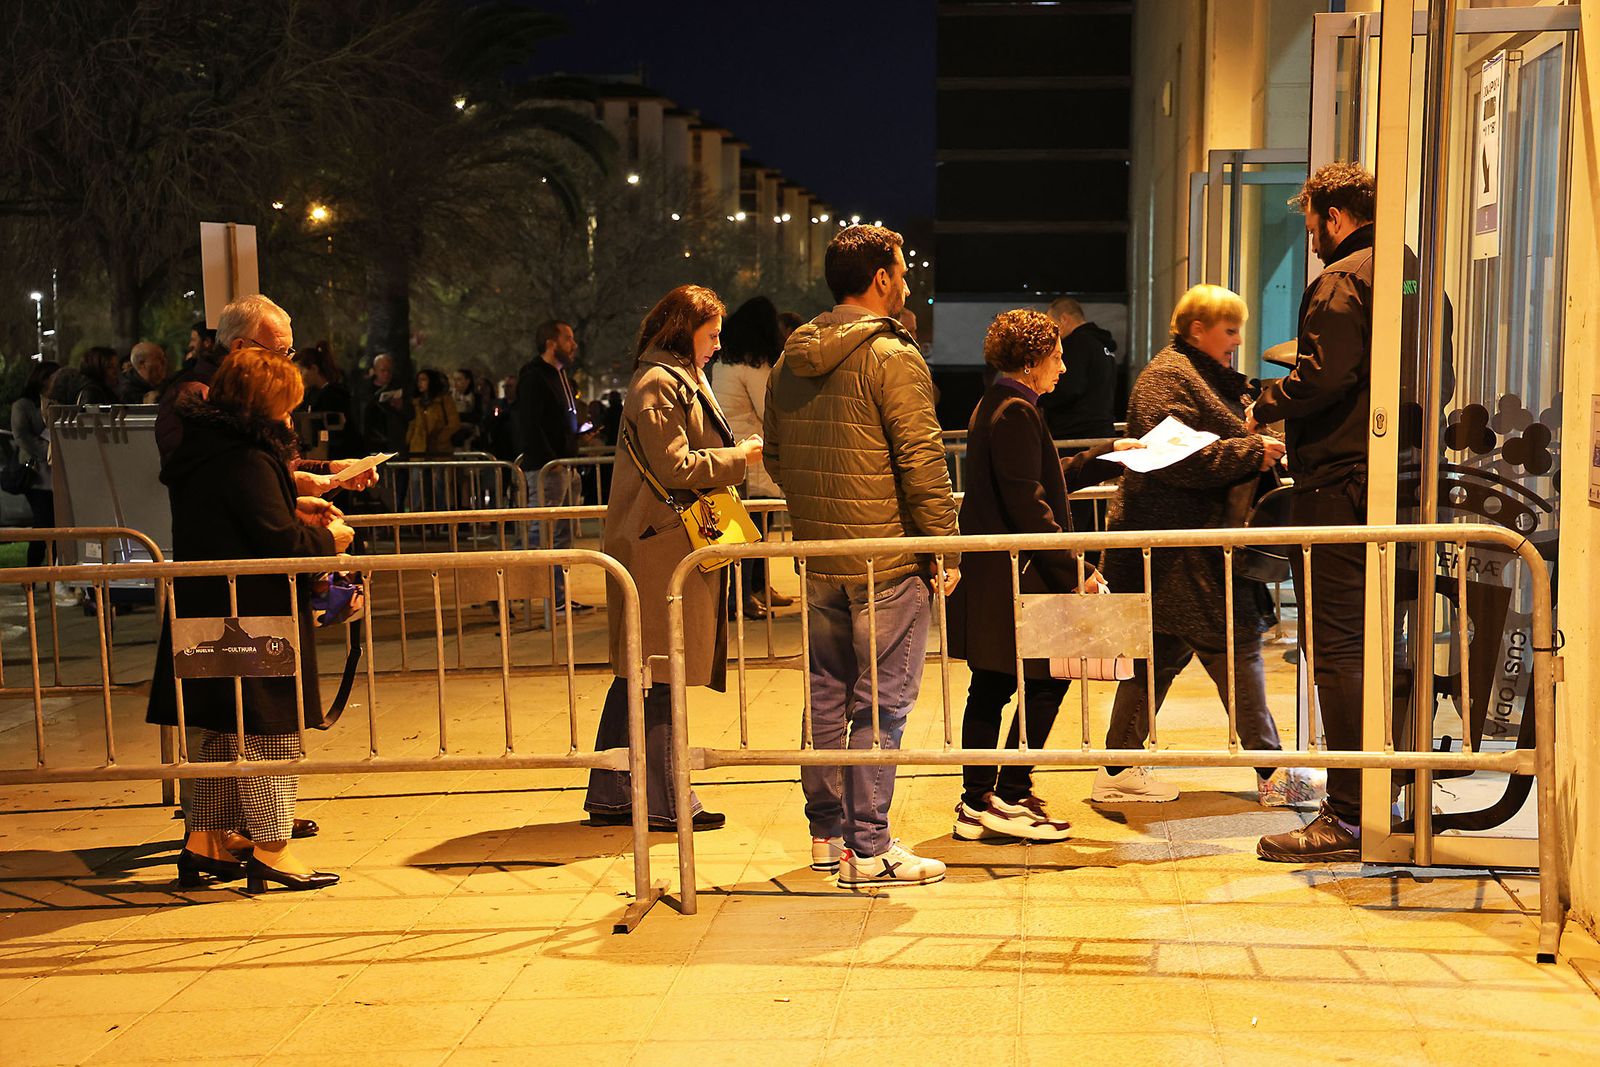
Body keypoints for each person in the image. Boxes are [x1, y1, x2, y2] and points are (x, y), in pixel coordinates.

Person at [764, 224, 959, 888]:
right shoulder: (892, 355)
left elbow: (775, 456)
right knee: (882, 703)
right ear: (881, 278)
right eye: (901, 271)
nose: (906, 281)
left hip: (823, 554)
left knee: (826, 693)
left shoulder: (791, 359)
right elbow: (922, 460)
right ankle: (869, 847)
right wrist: (945, 545)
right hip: (886, 557)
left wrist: (817, 514)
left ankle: (827, 836)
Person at [1090, 285, 1324, 808]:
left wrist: (1252, 445)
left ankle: (1117, 769)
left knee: (1161, 659)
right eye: (1230, 330)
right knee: (1236, 652)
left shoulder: (1192, 375)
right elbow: (1172, 459)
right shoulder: (1170, 377)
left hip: (1182, 552)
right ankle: (1273, 774)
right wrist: (1251, 452)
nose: (1239, 341)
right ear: (1198, 330)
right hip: (1183, 552)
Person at [146, 346, 353, 892]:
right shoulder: (247, 455)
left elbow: (235, 517)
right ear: (264, 402)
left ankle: (205, 841)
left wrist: (294, 507)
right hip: (254, 616)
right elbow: (277, 541)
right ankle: (272, 849)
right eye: (287, 404)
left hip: (206, 609)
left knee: (220, 729)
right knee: (270, 733)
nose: (291, 415)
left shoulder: (205, 445)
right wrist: (326, 539)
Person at [948, 310, 1135, 842]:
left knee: (1000, 684)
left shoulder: (1005, 404)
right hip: (1017, 576)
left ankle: (987, 798)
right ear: (1031, 361)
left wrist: (1109, 456)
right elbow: (1028, 505)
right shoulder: (1014, 411)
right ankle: (998, 796)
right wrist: (1076, 570)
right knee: (1030, 681)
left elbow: (1042, 480)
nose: (1063, 367)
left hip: (1007, 574)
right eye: (1056, 356)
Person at [583, 285, 761, 832]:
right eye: (712, 335)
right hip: (660, 544)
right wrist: (739, 458)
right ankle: (666, 800)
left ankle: (612, 792)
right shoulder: (661, 382)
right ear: (685, 331)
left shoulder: (668, 377)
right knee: (659, 672)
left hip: (658, 539)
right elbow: (675, 466)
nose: (717, 345)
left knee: (639, 671)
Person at [1247, 163, 1383, 862]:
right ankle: (1385, 798)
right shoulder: (1414, 276)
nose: (1312, 237)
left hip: (1338, 484)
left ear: (1334, 215)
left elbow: (1323, 374)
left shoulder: (1340, 280)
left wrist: (1266, 403)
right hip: (1393, 484)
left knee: (1337, 651)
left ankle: (1350, 816)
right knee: (1382, 648)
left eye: (1311, 223)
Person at [710, 295, 788, 620]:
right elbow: (767, 407)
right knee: (752, 532)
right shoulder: (753, 364)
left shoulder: (723, 362)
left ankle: (756, 588)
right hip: (753, 456)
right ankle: (742, 597)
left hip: (733, 453)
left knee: (751, 530)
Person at [515, 320, 590, 610]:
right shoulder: (534, 377)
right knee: (539, 533)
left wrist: (577, 436)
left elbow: (559, 419)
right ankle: (506, 588)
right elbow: (530, 424)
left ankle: (557, 597)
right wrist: (550, 460)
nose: (574, 345)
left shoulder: (561, 376)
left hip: (565, 465)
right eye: (568, 338)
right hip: (548, 468)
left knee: (561, 536)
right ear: (551, 343)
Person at [10, 361, 62, 572]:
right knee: (43, 523)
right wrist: (48, 450)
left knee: (58, 525)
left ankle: (55, 574)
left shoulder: (59, 401)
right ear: (43, 379)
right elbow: (22, 435)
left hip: (57, 473)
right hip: (37, 472)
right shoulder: (23, 405)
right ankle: (31, 572)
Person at [294, 345, 358, 459]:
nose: (299, 378)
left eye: (301, 372)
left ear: (314, 369)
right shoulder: (310, 394)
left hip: (340, 455)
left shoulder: (335, 395)